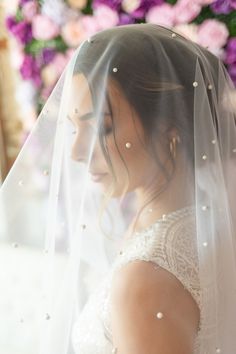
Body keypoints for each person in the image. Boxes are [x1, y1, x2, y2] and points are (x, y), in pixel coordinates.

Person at [0, 23, 236, 354]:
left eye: (100, 126)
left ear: (169, 128)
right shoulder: (201, 223)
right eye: (73, 128)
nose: (76, 152)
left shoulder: (146, 276)